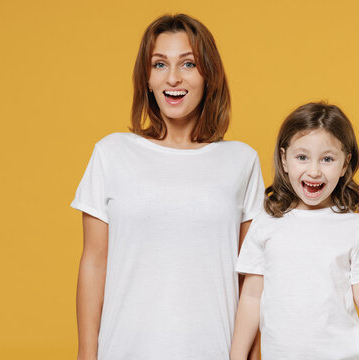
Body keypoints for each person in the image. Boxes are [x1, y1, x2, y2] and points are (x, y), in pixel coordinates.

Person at [71, 14, 264, 360]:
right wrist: (87, 355)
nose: (173, 78)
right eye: (159, 64)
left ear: (209, 75)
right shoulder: (111, 154)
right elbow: (94, 265)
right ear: (146, 78)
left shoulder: (242, 161)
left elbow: (251, 277)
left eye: (188, 63)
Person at [230, 102, 359, 360]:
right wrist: (236, 357)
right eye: (302, 157)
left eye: (327, 159)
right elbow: (251, 296)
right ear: (284, 160)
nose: (314, 171)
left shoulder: (356, 227)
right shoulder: (266, 223)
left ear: (345, 164)